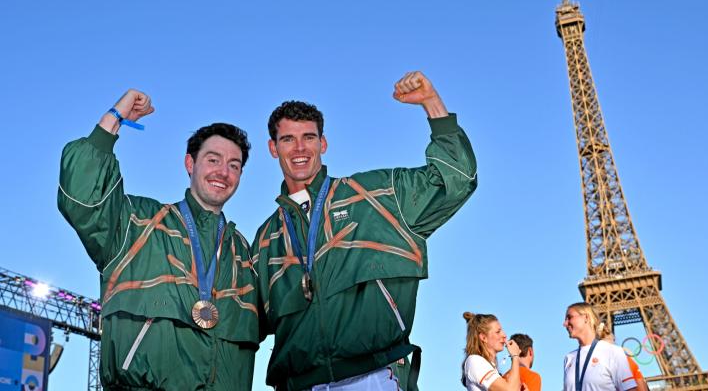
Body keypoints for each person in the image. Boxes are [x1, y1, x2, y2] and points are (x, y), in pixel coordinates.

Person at [252, 71, 478, 390]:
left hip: (373, 377)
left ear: (324, 143)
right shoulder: (264, 240)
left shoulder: (374, 196)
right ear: (273, 148)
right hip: (299, 384)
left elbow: (455, 179)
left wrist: (432, 103)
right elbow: (241, 325)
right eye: (287, 139)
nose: (299, 148)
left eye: (309, 137)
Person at [57, 90, 260, 389]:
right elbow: (83, 195)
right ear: (190, 164)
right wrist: (115, 119)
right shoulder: (138, 223)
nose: (223, 172)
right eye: (213, 159)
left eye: (234, 165)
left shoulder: (243, 254)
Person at [562, 302, 637, 391]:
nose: (565, 324)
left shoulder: (613, 352)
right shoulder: (569, 358)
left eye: (569, 317)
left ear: (586, 317)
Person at [461, 312, 522, 391]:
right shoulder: (475, 361)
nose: (504, 335)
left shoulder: (489, 366)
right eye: (498, 332)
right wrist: (515, 356)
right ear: (483, 337)